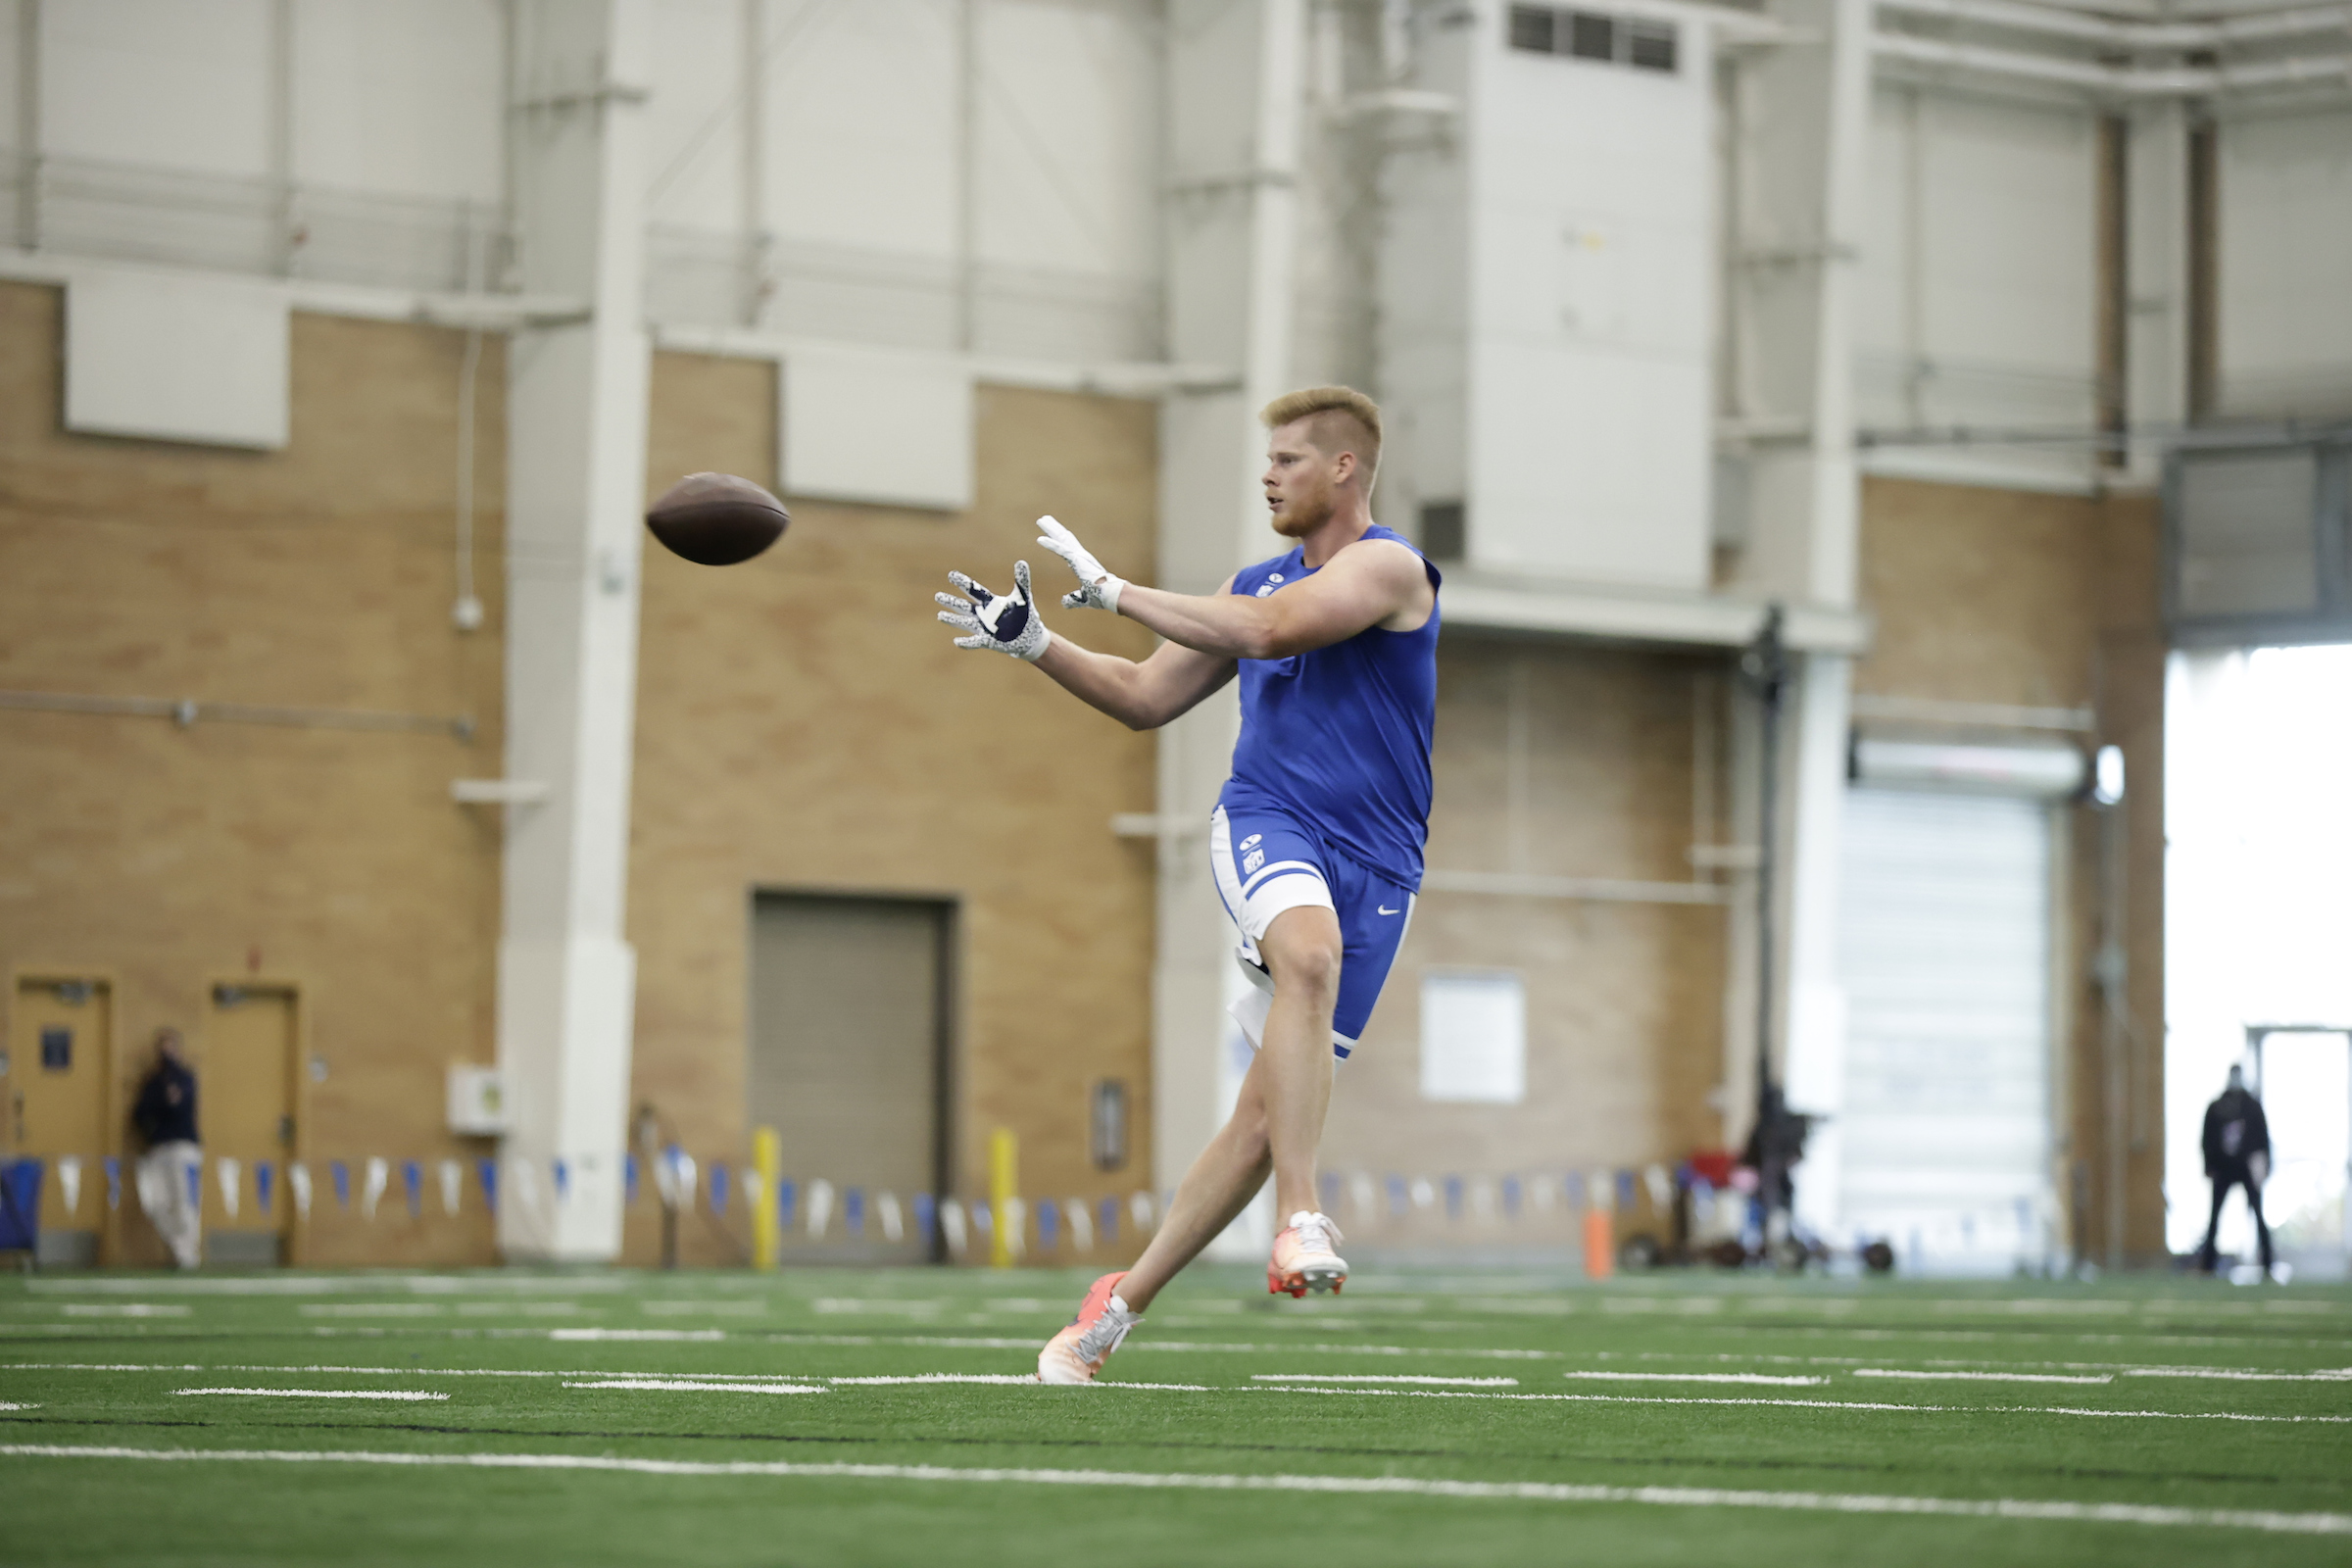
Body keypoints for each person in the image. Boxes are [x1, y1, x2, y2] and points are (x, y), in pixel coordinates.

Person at [935, 386, 1440, 1384]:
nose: (1268, 473)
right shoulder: (1249, 582)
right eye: (1268, 459)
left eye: (1289, 458)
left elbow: (1268, 632)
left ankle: (1111, 1310)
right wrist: (1038, 642)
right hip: (1268, 822)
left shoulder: (1386, 567)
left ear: (1345, 468)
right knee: (1308, 954)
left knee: (1259, 1119)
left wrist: (1118, 589)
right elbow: (1143, 696)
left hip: (1381, 864)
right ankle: (1300, 1219)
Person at [131, 1028, 203, 1269]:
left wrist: (171, 1099)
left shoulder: (185, 1078)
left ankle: (188, 1256)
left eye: (171, 1047)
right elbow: (140, 1113)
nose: (167, 1053)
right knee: (158, 1203)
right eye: (163, 1048)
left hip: (183, 1148)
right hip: (159, 1148)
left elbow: (179, 1109)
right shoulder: (152, 1082)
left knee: (185, 1203)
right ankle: (177, 1249)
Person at [2196, 1064, 2273, 1277]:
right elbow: (2207, 1138)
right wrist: (2209, 1165)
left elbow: (2263, 1138)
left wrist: (2265, 1167)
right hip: (2223, 1167)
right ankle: (2208, 1264)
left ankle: (2268, 1262)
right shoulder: (2217, 1106)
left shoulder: (2253, 1107)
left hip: (2247, 1166)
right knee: (2215, 1218)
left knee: (2258, 1215)